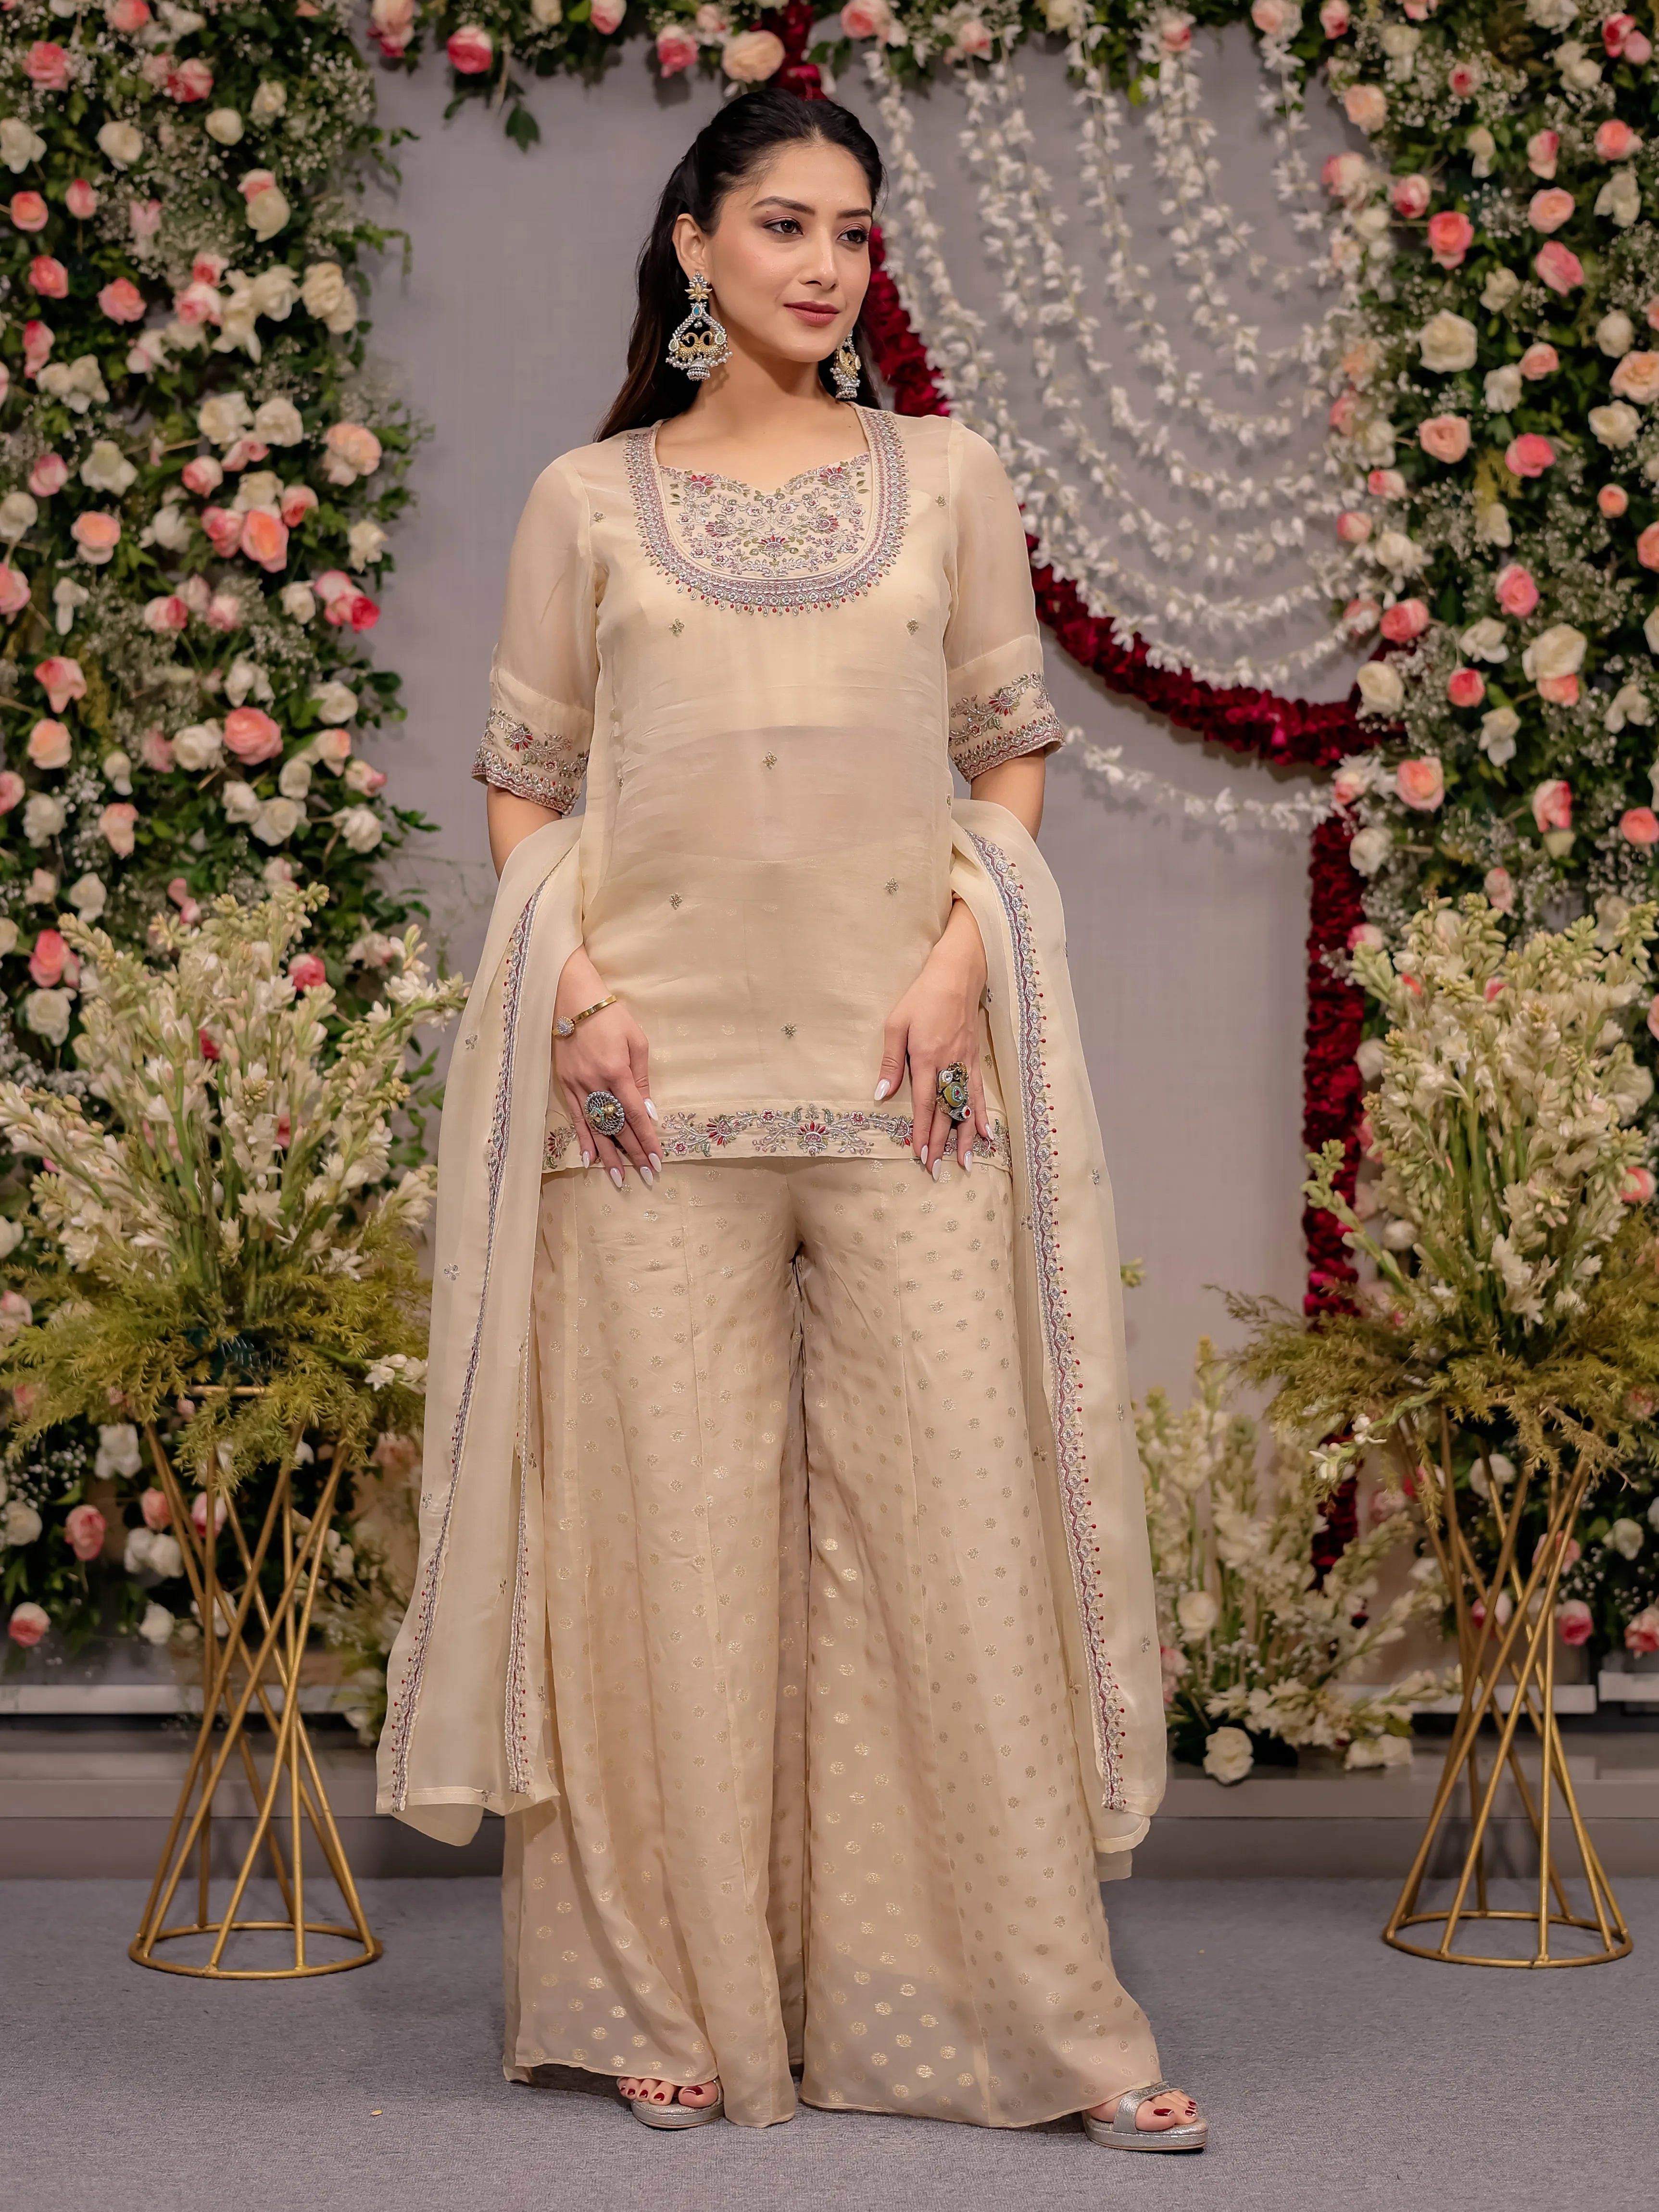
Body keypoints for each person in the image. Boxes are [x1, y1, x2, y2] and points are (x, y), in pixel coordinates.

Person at [377, 87, 1205, 2154]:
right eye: (782, 226)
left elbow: (1006, 755)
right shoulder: (588, 499)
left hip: (905, 1078)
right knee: (664, 1550)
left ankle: (1025, 2019)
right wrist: (563, 997)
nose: (826, 266)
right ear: (692, 246)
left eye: (852, 232)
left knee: (956, 1532)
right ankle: (663, 1998)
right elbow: (521, 780)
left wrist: (954, 963)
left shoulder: (945, 478)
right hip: (647, 1100)